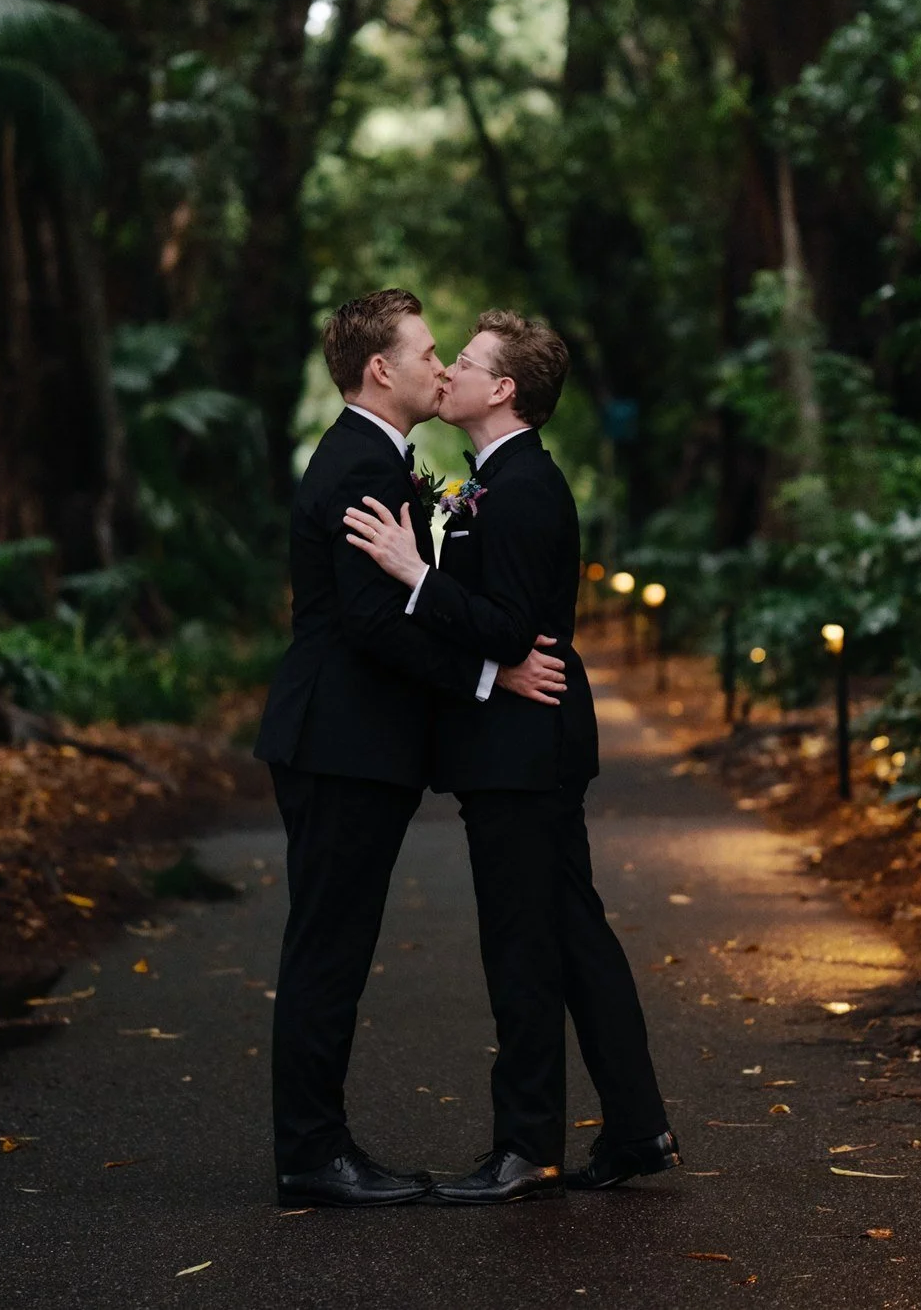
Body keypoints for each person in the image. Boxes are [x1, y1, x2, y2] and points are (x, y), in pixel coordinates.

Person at [342, 309, 679, 1202]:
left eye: (464, 360)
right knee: (571, 935)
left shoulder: (525, 486)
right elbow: (507, 628)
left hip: (523, 751)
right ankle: (639, 1124)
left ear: (504, 390)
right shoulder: (500, 478)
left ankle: (528, 1146)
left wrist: (417, 573)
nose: (445, 369)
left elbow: (509, 625)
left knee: (524, 948)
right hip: (522, 742)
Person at [253, 289, 568, 1208]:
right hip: (340, 741)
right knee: (327, 950)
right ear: (379, 368)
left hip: (349, 741)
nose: (441, 365)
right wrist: (489, 674)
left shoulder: (381, 456)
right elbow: (371, 620)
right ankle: (311, 1153)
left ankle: (316, 1144)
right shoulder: (361, 464)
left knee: (333, 946)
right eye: (428, 351)